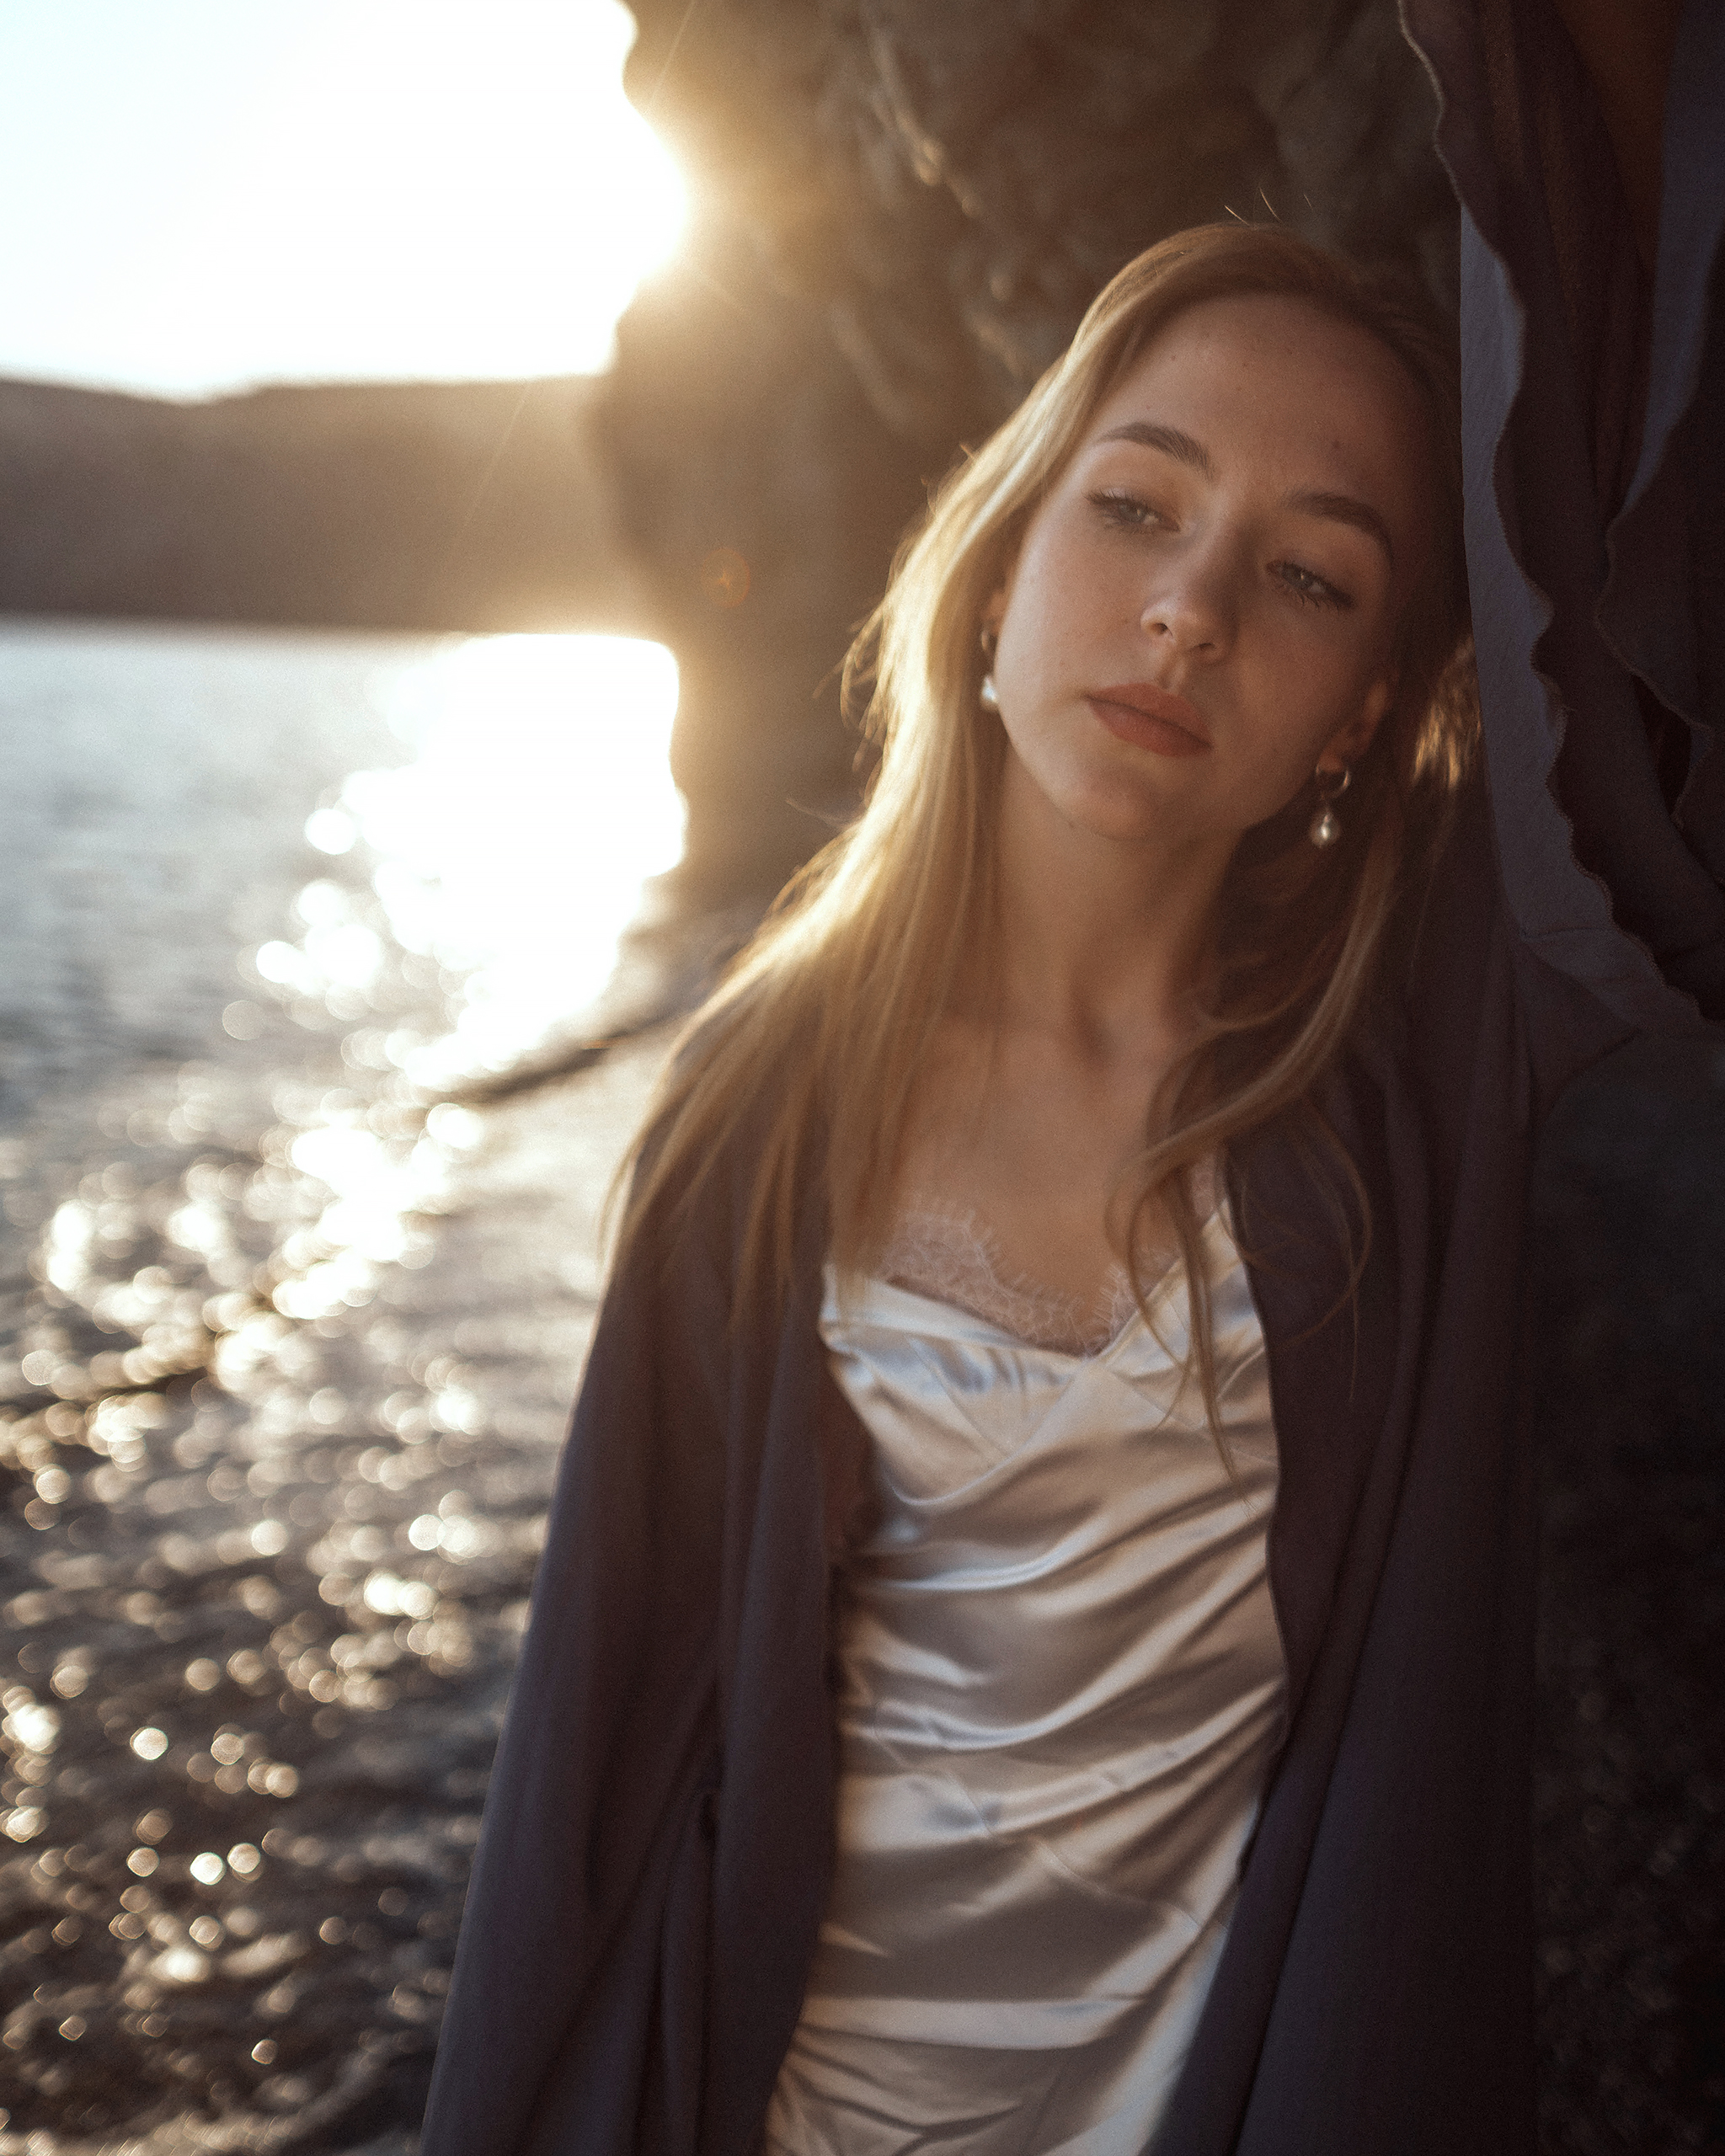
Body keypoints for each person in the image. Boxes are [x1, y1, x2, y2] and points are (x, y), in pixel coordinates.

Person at [419, 4, 1724, 2148]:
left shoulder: (1397, 1072)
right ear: (998, 560)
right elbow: (589, 1768)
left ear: (1358, 714)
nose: (1191, 607)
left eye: (1310, 572)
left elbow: (1627, 513)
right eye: (1135, 505)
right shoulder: (764, 1103)